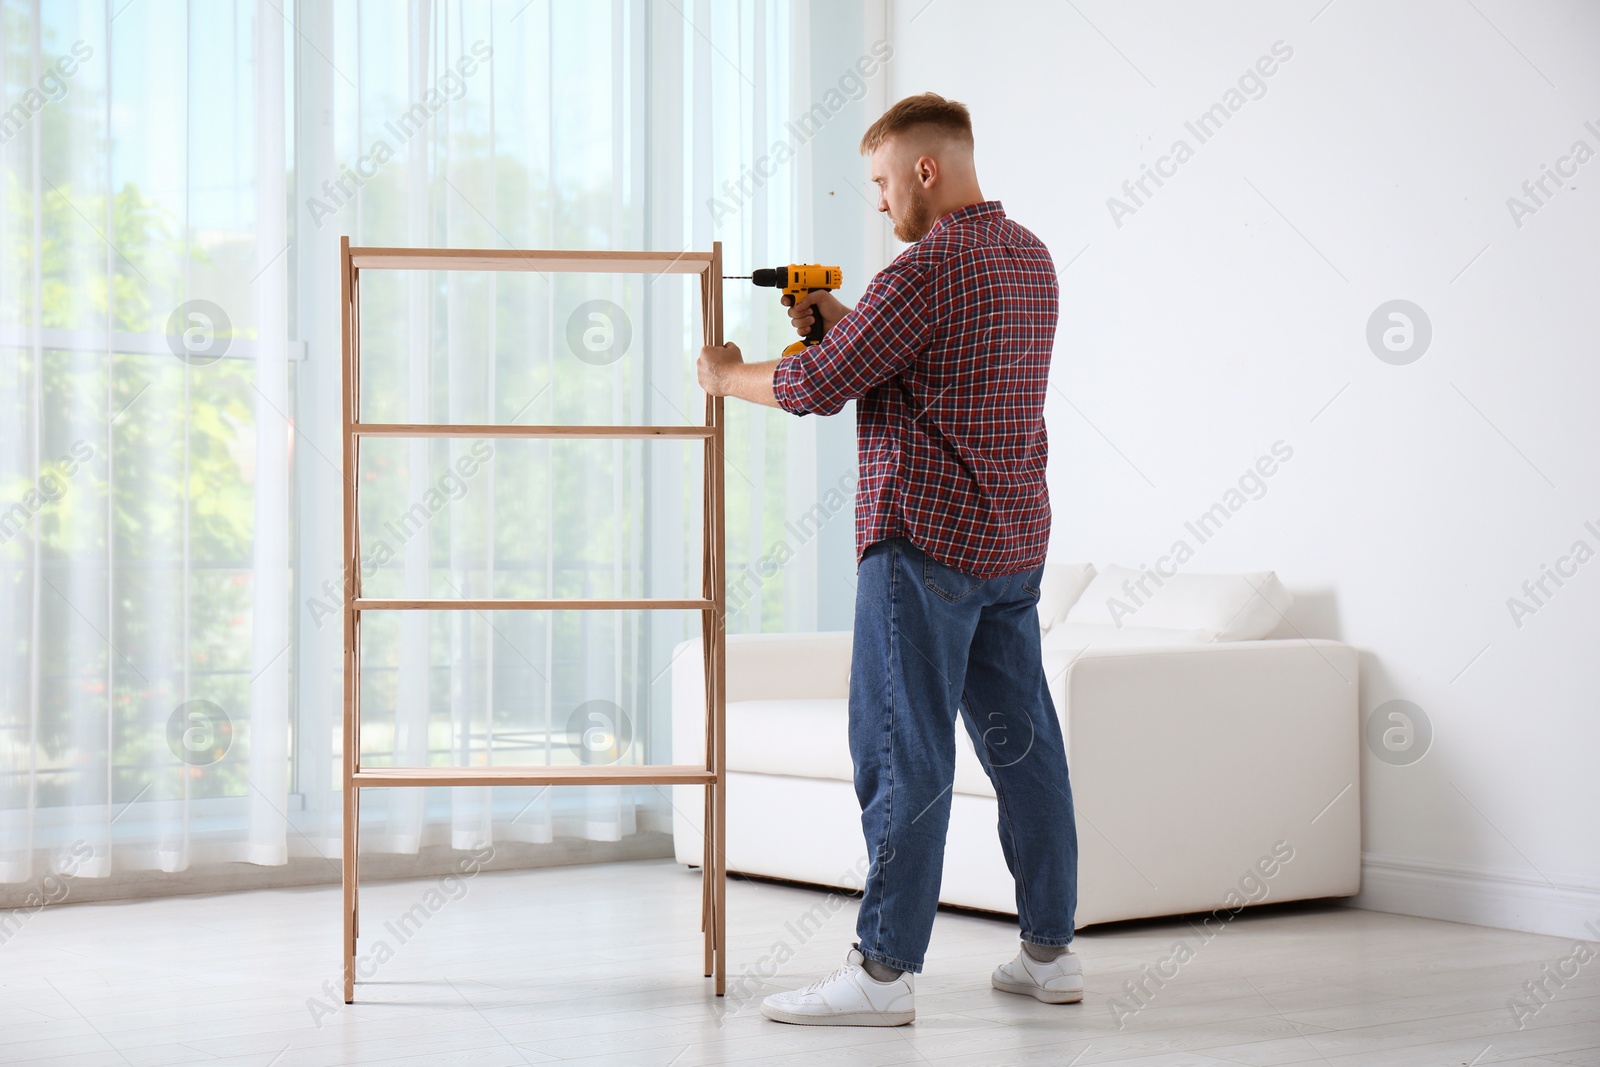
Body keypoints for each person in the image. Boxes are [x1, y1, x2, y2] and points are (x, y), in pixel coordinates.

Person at [696, 92, 1080, 1027]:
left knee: (902, 754)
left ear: (924, 170)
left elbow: (819, 385)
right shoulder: (1029, 256)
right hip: (1011, 544)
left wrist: (723, 375)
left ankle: (882, 973)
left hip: (922, 547)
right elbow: (926, 361)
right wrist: (841, 315)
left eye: (880, 181)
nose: (876, 203)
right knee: (1025, 749)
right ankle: (1048, 952)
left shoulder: (926, 267)